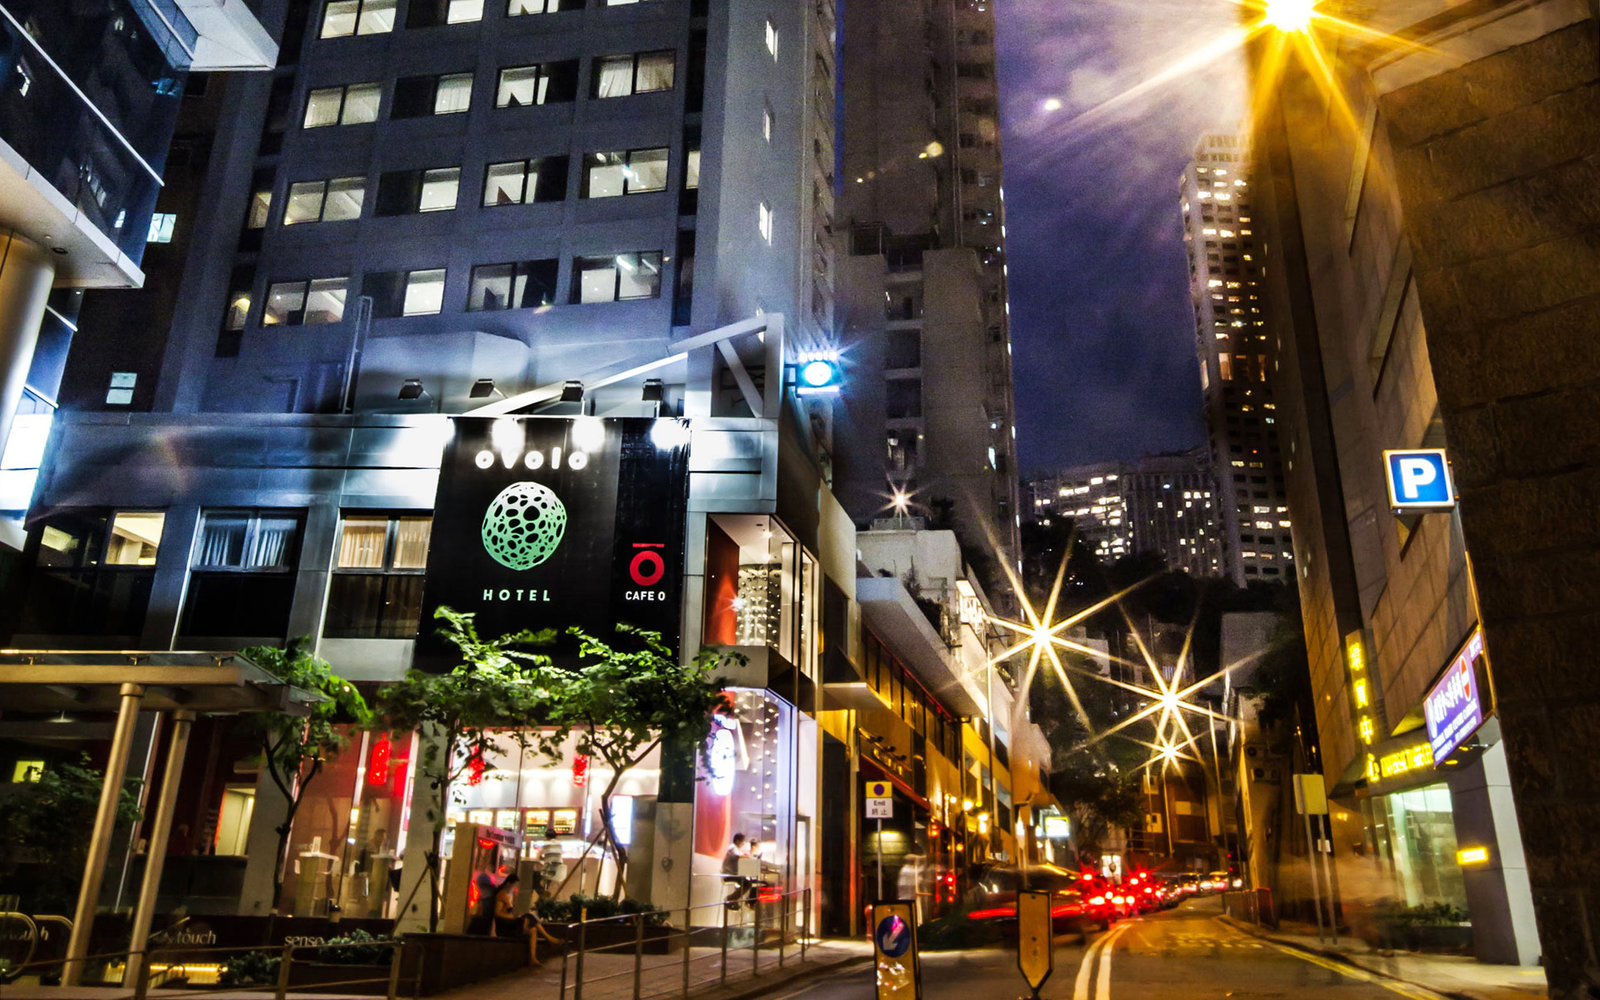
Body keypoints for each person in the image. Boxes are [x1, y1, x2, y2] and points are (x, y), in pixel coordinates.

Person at [491, 873, 562, 966]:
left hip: (511, 924)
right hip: (505, 927)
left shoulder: (508, 895)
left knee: (533, 930)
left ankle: (532, 958)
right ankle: (549, 938)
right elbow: (497, 913)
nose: (514, 888)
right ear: (508, 883)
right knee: (528, 916)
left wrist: (515, 916)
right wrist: (512, 917)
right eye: (514, 885)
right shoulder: (501, 895)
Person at [722, 833, 751, 909]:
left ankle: (733, 899)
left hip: (732, 874)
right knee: (747, 884)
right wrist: (748, 857)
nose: (743, 844)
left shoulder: (735, 849)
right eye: (742, 842)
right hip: (729, 875)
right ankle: (730, 899)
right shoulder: (733, 847)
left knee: (746, 882)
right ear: (738, 841)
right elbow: (739, 856)